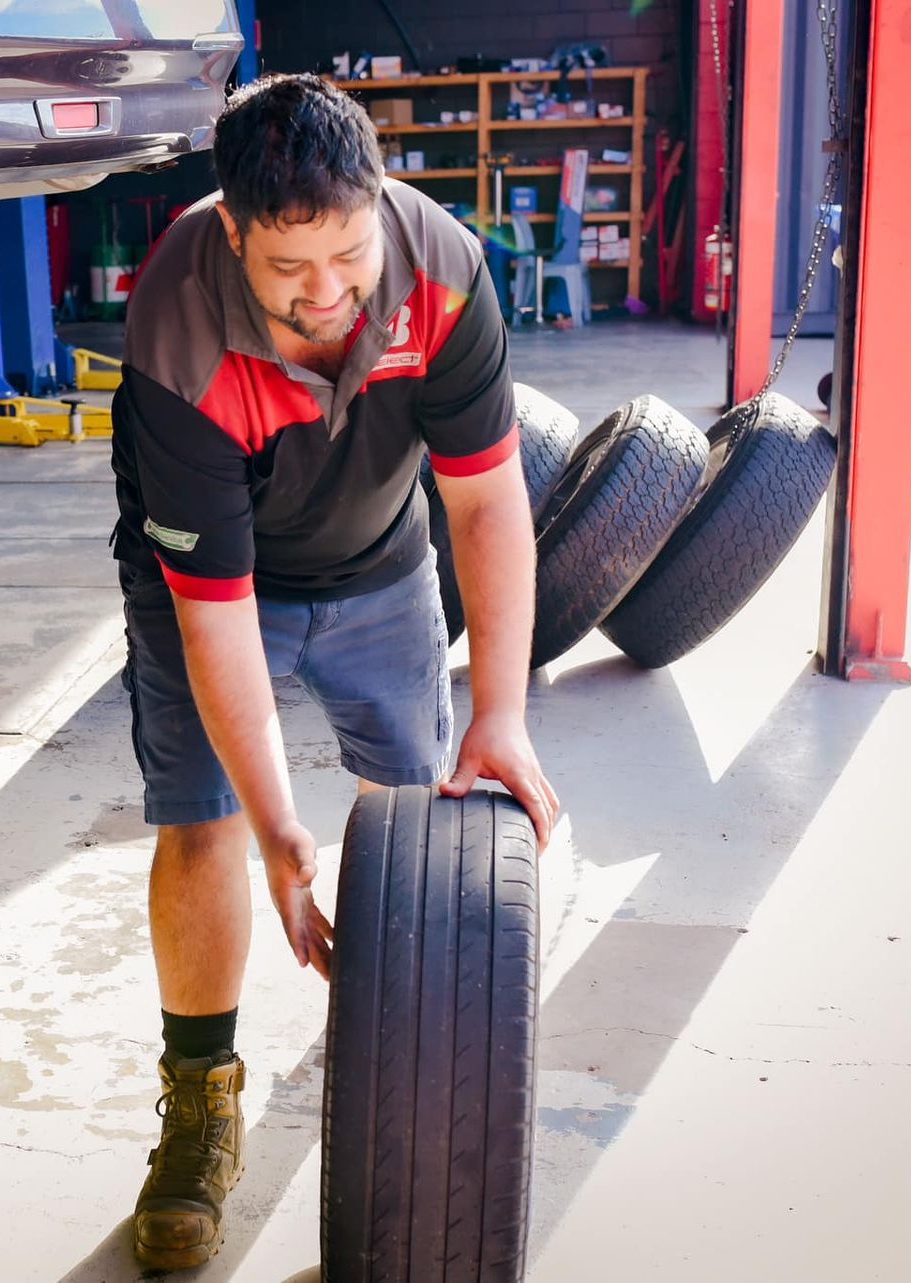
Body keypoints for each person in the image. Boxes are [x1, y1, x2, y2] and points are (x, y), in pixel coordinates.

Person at [109, 73, 558, 1271]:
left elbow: (486, 502)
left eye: (349, 253)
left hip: (380, 567)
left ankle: (410, 1045)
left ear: (376, 205)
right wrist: (278, 830)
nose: (326, 291)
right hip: (207, 588)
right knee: (203, 825)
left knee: (432, 818)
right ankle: (200, 1100)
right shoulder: (176, 327)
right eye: (288, 267)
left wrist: (503, 712)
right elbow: (216, 621)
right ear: (232, 226)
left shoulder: (446, 270)